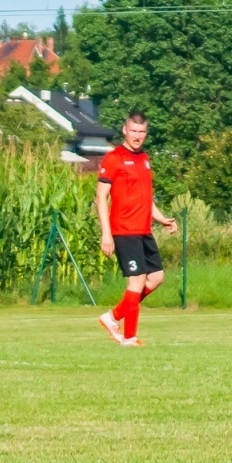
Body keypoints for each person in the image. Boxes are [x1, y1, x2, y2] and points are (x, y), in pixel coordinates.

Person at [96, 112, 177, 347]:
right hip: (123, 230)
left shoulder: (144, 159)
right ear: (125, 130)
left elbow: (146, 198)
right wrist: (106, 233)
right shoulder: (113, 158)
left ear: (146, 133)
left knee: (157, 277)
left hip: (143, 231)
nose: (137, 136)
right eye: (133, 131)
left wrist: (162, 219)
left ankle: (113, 317)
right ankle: (129, 338)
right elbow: (101, 198)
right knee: (137, 282)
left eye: (141, 132)